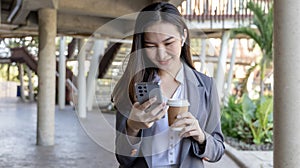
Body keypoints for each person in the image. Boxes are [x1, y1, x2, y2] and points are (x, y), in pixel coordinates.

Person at [111, 2, 224, 168]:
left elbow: (218, 150)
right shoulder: (133, 85)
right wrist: (132, 127)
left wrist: (201, 136)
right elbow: (124, 159)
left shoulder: (206, 86)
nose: (161, 54)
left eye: (168, 43)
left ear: (183, 36)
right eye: (151, 46)